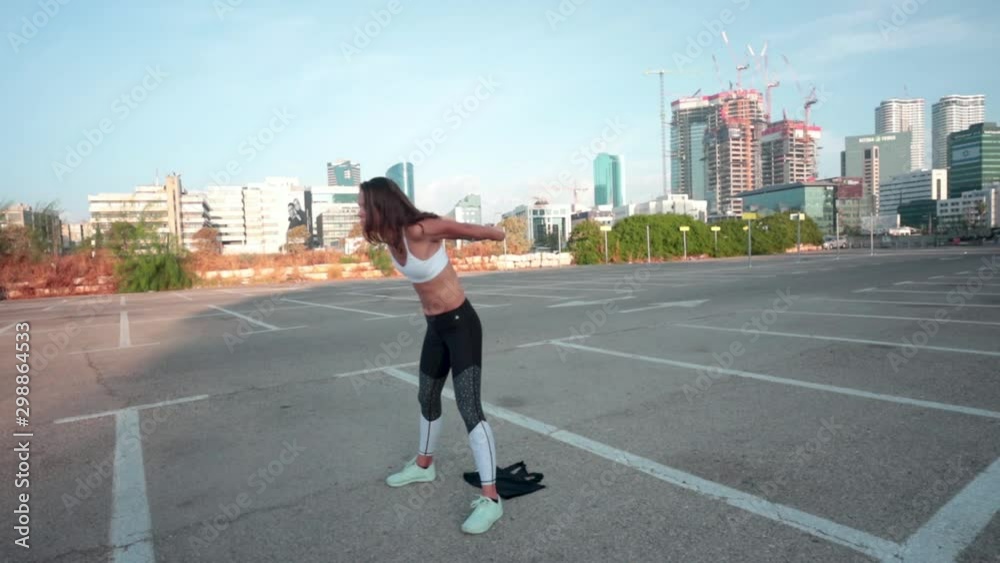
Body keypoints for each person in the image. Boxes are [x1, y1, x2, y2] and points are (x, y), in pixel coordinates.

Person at [357, 176, 507, 535]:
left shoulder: (423, 229)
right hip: (436, 328)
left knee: (469, 407)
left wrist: (497, 234)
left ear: (380, 205)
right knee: (426, 395)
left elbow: (468, 229)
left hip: (461, 325)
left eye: (363, 205)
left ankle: (491, 499)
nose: (359, 211)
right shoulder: (393, 240)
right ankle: (424, 465)